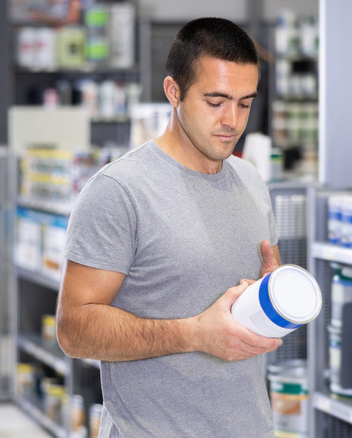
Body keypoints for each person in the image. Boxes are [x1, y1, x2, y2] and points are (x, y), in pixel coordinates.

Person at [56, 17, 282, 437]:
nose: (232, 120)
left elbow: (250, 296)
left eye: (245, 103)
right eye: (215, 102)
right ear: (173, 92)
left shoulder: (251, 181)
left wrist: (273, 295)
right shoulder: (120, 190)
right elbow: (73, 330)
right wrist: (194, 334)